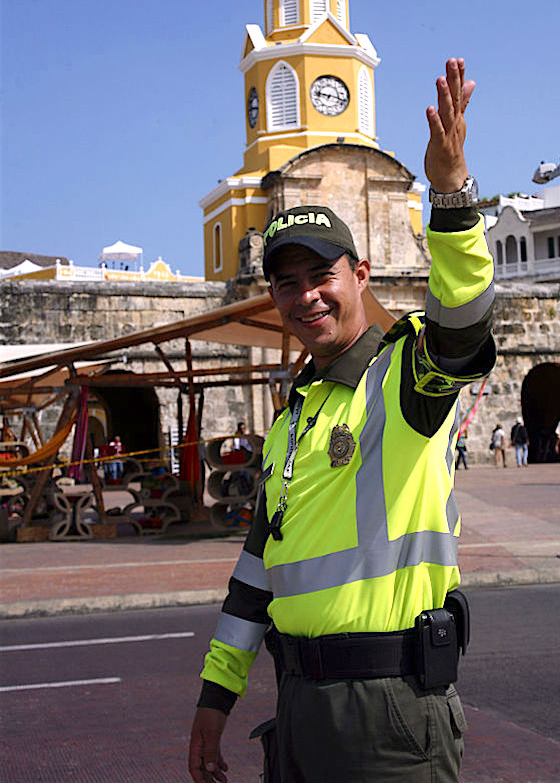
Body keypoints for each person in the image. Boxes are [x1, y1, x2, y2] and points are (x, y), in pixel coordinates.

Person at [188, 56, 496, 783]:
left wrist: (449, 195)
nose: (306, 298)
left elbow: (463, 323)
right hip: (296, 705)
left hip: (387, 709)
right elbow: (256, 572)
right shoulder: (293, 415)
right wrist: (215, 696)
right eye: (286, 283)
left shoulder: (403, 376)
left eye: (322, 275)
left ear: (358, 275)